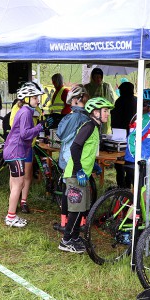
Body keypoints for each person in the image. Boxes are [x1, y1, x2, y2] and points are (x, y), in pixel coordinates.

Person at [60, 97, 114, 253]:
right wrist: (79, 170)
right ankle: (66, 241)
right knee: (76, 209)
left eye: (107, 111)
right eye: (105, 111)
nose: (107, 114)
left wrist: (94, 166)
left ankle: (75, 237)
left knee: (82, 208)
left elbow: (86, 151)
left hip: (82, 173)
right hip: (75, 174)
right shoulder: (89, 126)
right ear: (95, 112)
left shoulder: (95, 128)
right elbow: (75, 147)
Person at [2, 82, 45, 228]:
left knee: (15, 183)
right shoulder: (26, 112)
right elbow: (25, 134)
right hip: (16, 151)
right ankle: (11, 217)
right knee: (18, 184)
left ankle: (11, 214)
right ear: (26, 98)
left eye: (37, 97)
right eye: (34, 97)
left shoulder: (24, 110)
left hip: (14, 150)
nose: (37, 100)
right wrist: (40, 127)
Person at [53, 85, 90, 233]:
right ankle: (81, 221)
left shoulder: (72, 117)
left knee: (68, 190)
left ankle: (66, 222)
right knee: (80, 190)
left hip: (69, 157)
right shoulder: (86, 117)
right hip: (79, 158)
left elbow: (60, 134)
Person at [117, 88, 150, 189]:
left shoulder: (137, 116)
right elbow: (132, 138)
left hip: (131, 159)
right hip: (137, 161)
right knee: (142, 192)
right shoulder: (146, 119)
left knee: (131, 190)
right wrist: (136, 156)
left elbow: (142, 138)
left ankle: (125, 201)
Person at [84, 67, 116, 133]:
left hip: (103, 114)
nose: (98, 79)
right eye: (95, 77)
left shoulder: (106, 87)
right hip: (90, 114)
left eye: (99, 77)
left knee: (103, 132)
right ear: (92, 77)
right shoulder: (87, 87)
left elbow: (111, 100)